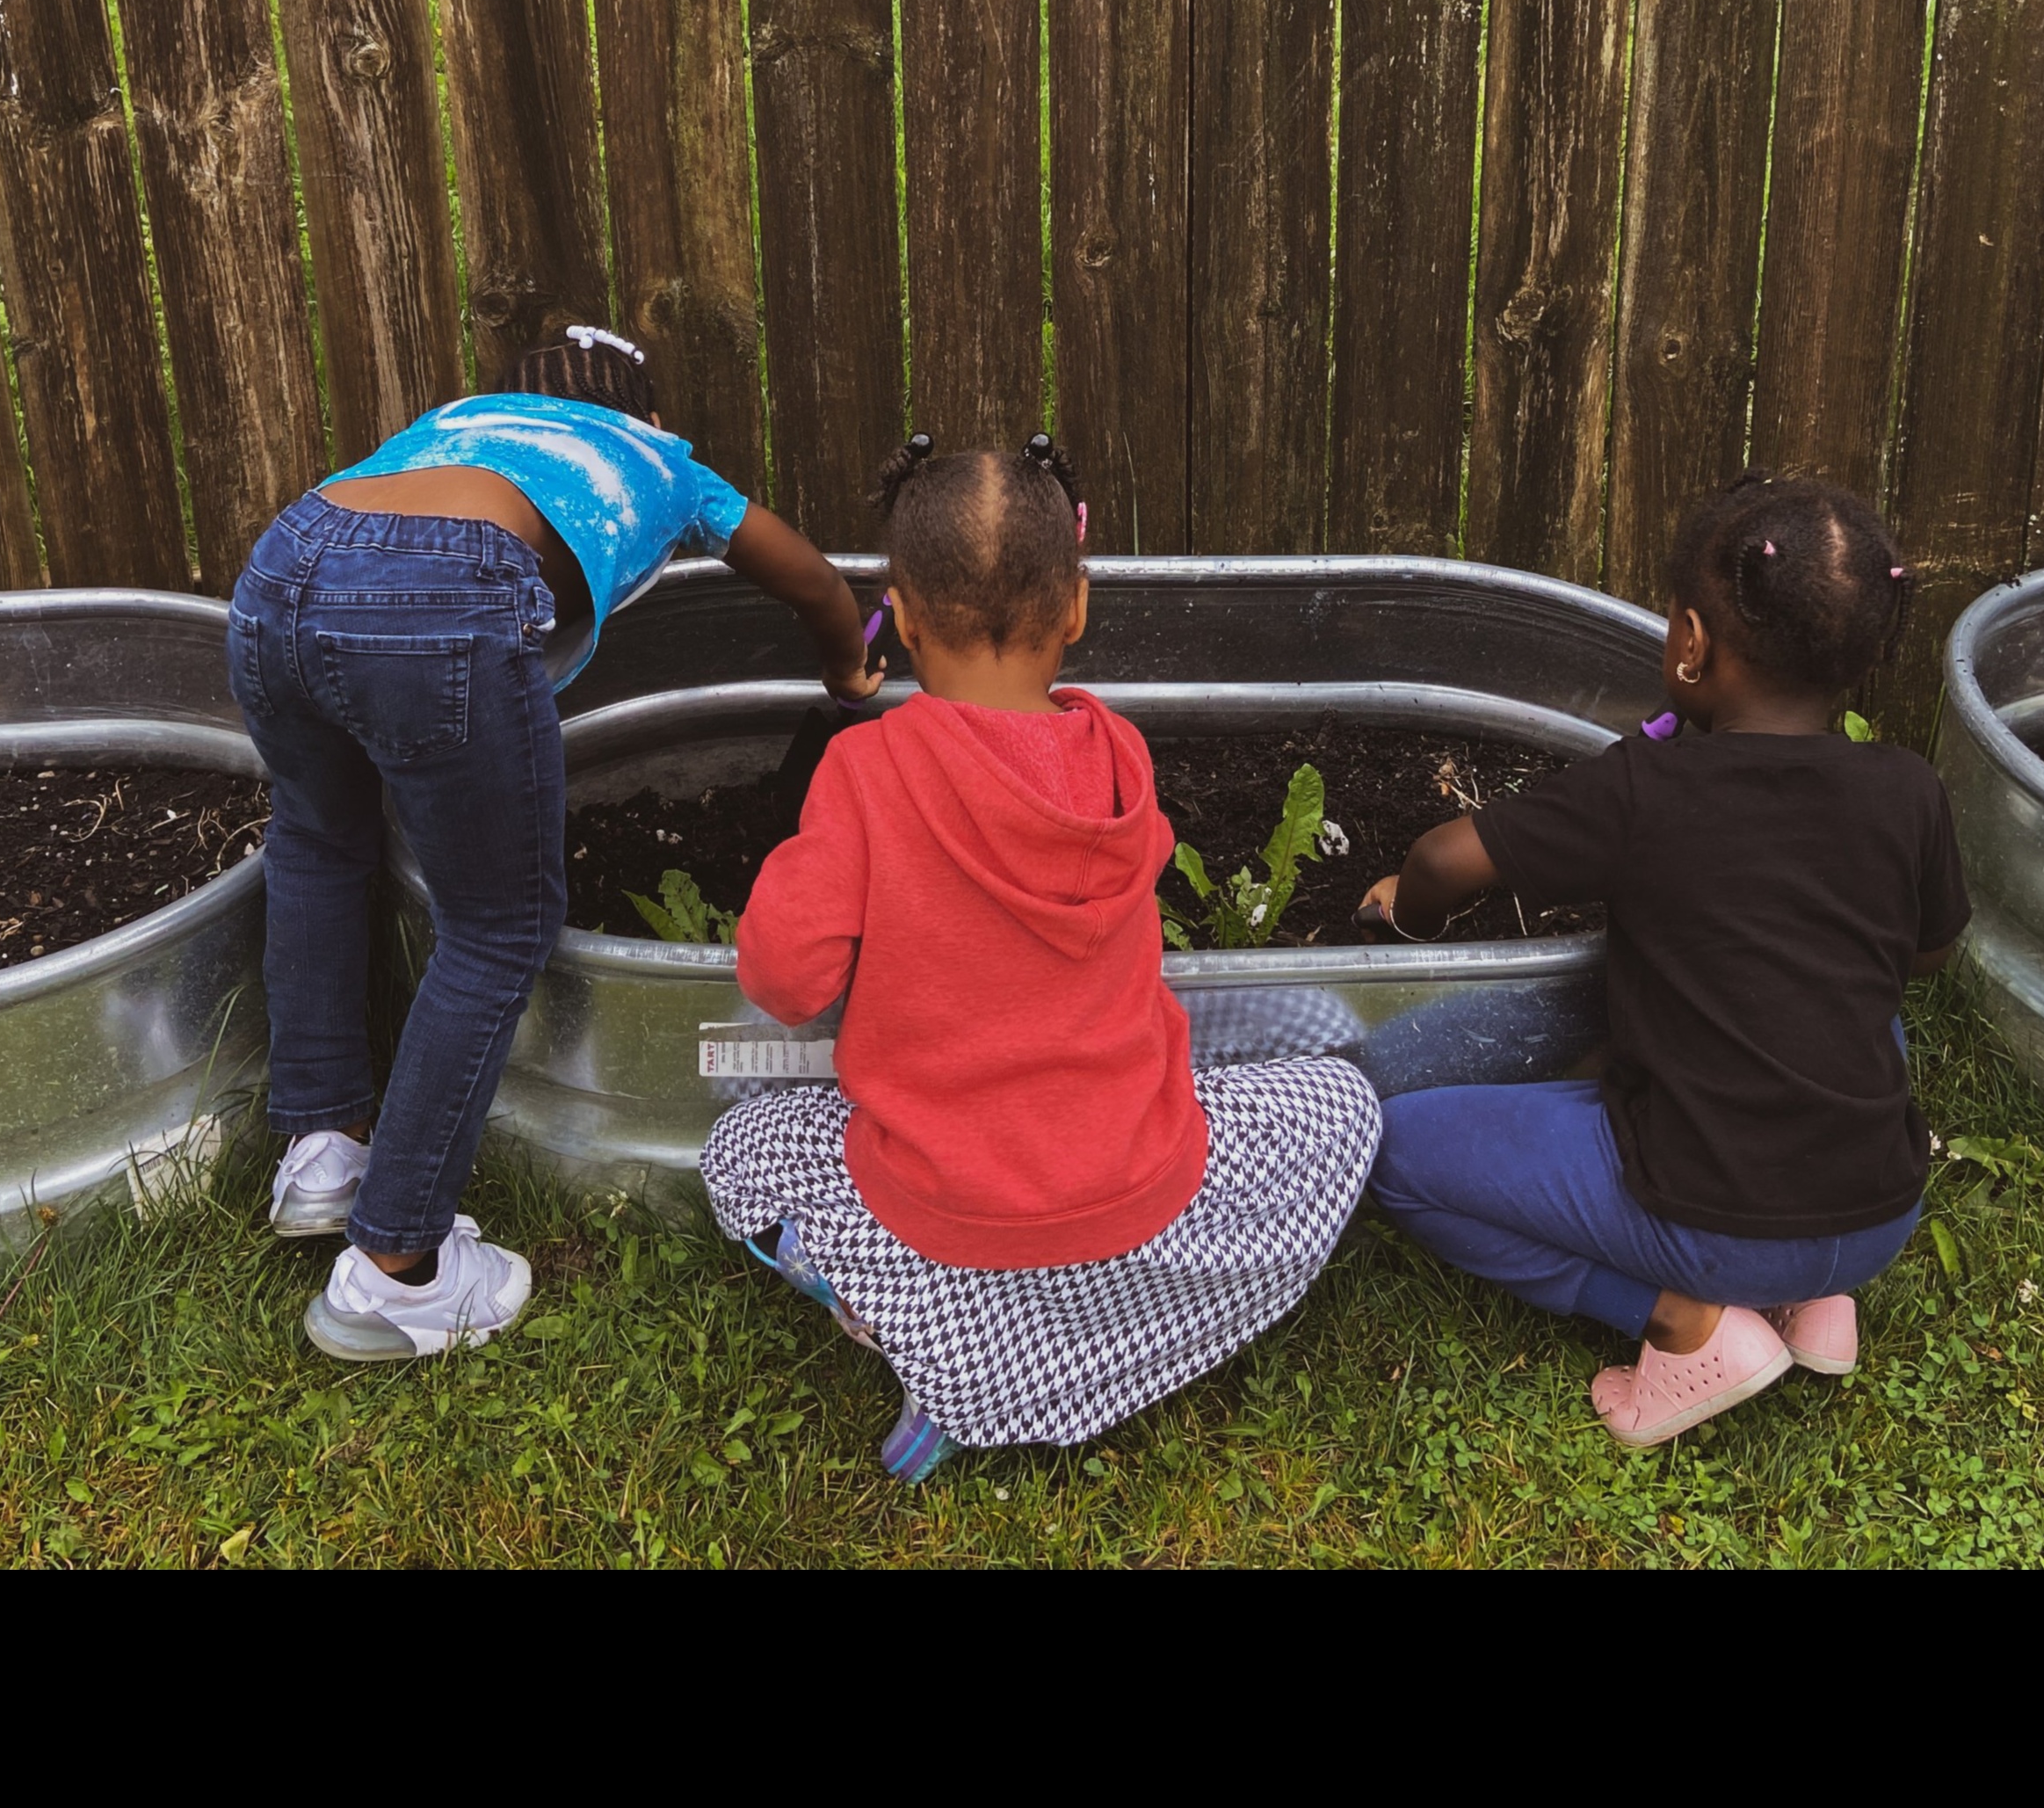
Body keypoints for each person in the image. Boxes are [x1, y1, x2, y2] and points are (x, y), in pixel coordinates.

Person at [700, 434, 1381, 1480]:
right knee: (1345, 1110)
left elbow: (783, 982)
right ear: (1076, 608)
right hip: (1134, 1177)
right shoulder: (1120, 755)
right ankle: (1090, 1333)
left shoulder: (865, 771)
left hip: (937, 1204)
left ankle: (941, 1351)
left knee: (743, 1151)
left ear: (903, 615)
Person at [227, 325, 877, 1361]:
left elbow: (375, 544)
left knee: (316, 839)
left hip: (284, 560)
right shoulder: (664, 460)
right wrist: (848, 673)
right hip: (443, 596)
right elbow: (808, 580)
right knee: (494, 929)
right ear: (649, 418)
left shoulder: (454, 431)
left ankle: (324, 1150)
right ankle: (398, 1271)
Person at [1362, 471, 1965, 1449]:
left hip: (1710, 1213)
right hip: (1877, 1214)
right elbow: (1925, 953)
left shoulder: (1647, 788)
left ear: (1689, 645)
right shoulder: (1906, 791)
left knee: (1395, 1154)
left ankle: (1686, 1321)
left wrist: (1404, 904)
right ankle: (1817, 1300)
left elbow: (1442, 858)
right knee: (1859, 1009)